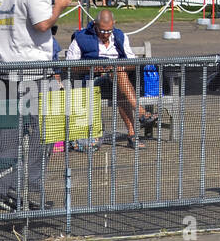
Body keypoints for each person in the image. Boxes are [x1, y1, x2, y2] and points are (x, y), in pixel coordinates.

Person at [0, 0, 73, 210]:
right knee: (41, 138)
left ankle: (3, 192)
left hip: (3, 71)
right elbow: (41, 24)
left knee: (8, 139)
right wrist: (59, 6)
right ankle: (32, 193)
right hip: (35, 73)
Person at [65, 9, 155, 149]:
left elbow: (133, 64)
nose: (105, 34)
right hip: (92, 81)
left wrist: (119, 66)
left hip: (118, 81)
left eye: (108, 31)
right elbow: (69, 66)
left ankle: (132, 135)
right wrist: (92, 68)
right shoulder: (81, 38)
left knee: (119, 79)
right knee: (118, 75)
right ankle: (140, 112)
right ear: (95, 24)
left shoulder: (120, 36)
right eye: (102, 30)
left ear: (114, 24)